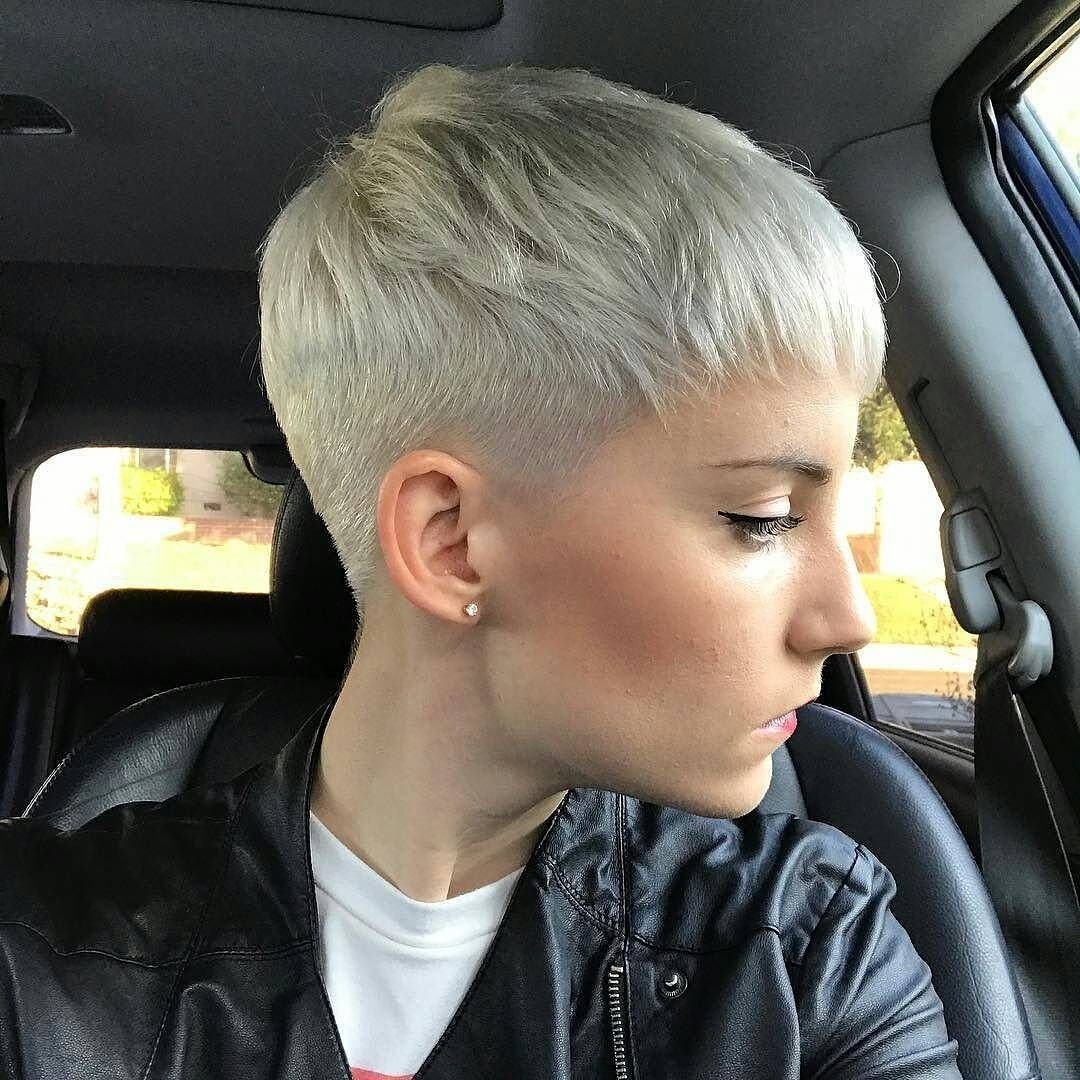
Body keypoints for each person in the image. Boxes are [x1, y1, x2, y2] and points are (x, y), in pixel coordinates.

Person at [0, 63, 962, 1079]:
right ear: (451, 540)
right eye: (761, 519)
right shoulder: (36, 955)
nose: (848, 618)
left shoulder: (807, 950)